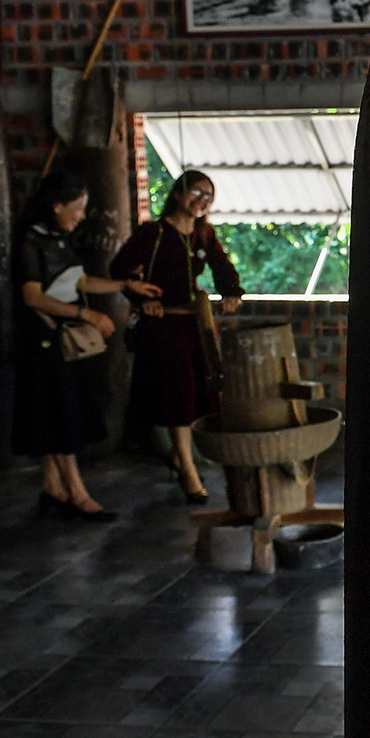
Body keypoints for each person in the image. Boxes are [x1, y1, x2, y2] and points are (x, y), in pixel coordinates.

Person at [13, 170, 161, 521]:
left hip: (63, 339)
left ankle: (53, 487)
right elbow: (32, 297)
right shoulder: (29, 243)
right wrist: (87, 315)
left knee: (55, 415)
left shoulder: (60, 240)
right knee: (60, 416)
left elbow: (81, 280)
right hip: (46, 339)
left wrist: (125, 286)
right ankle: (77, 493)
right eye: (76, 208)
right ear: (55, 205)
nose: (80, 216)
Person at [110, 169, 244, 503]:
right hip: (164, 326)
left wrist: (231, 293)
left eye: (209, 197)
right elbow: (120, 270)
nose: (202, 201)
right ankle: (186, 467)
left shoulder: (204, 234)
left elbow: (223, 268)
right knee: (178, 396)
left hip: (193, 325)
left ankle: (181, 458)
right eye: (197, 192)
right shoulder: (153, 232)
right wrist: (144, 299)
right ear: (179, 192)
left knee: (199, 394)